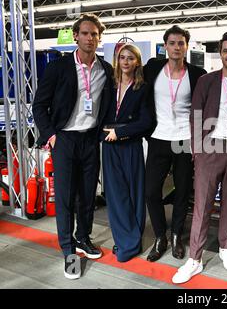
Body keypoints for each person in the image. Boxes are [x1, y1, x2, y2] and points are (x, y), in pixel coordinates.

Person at [32, 14, 113, 279]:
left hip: (90, 139)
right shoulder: (59, 67)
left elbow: (109, 105)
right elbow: (39, 105)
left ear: (99, 38)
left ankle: (83, 238)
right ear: (76, 36)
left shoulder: (105, 70)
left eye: (95, 34)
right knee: (66, 198)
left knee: (88, 195)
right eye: (86, 33)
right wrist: (50, 135)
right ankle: (68, 251)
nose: (90, 38)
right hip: (64, 139)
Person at [172, 32, 227, 284]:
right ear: (220, 53)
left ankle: (225, 247)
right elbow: (195, 115)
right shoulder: (207, 81)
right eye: (226, 50)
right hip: (210, 150)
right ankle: (195, 259)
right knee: (202, 205)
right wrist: (198, 151)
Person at [143, 25, 206, 263]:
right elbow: (129, 79)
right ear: (165, 46)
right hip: (158, 137)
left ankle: (177, 235)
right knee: (151, 191)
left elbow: (210, 97)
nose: (176, 47)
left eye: (181, 43)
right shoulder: (152, 68)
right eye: (172, 43)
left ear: (187, 46)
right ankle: (161, 236)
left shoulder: (198, 74)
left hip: (185, 140)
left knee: (182, 191)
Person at [101, 44, 150, 262]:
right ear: (117, 61)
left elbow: (147, 121)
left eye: (131, 58)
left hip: (130, 145)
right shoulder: (108, 86)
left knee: (134, 194)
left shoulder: (142, 88)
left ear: (137, 62)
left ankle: (132, 241)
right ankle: (124, 241)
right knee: (115, 195)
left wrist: (120, 132)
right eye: (122, 57)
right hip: (109, 147)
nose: (126, 62)